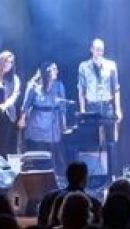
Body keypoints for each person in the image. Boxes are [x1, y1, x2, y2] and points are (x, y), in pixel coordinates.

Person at [77, 38, 122, 177]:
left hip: (107, 105)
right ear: (91, 50)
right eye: (96, 49)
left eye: (101, 49)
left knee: (111, 141)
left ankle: (112, 174)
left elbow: (116, 89)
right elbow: (81, 89)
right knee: (92, 140)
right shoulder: (84, 66)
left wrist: (118, 108)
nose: (99, 52)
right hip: (92, 105)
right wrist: (83, 110)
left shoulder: (111, 65)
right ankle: (94, 175)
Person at [19, 62, 69, 172]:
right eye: (54, 69)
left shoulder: (59, 85)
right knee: (38, 149)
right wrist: (22, 119)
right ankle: (39, 172)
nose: (57, 71)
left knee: (53, 149)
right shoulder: (33, 85)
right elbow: (26, 104)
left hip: (53, 120)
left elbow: (62, 106)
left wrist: (63, 123)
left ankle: (55, 174)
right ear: (47, 71)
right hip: (37, 120)